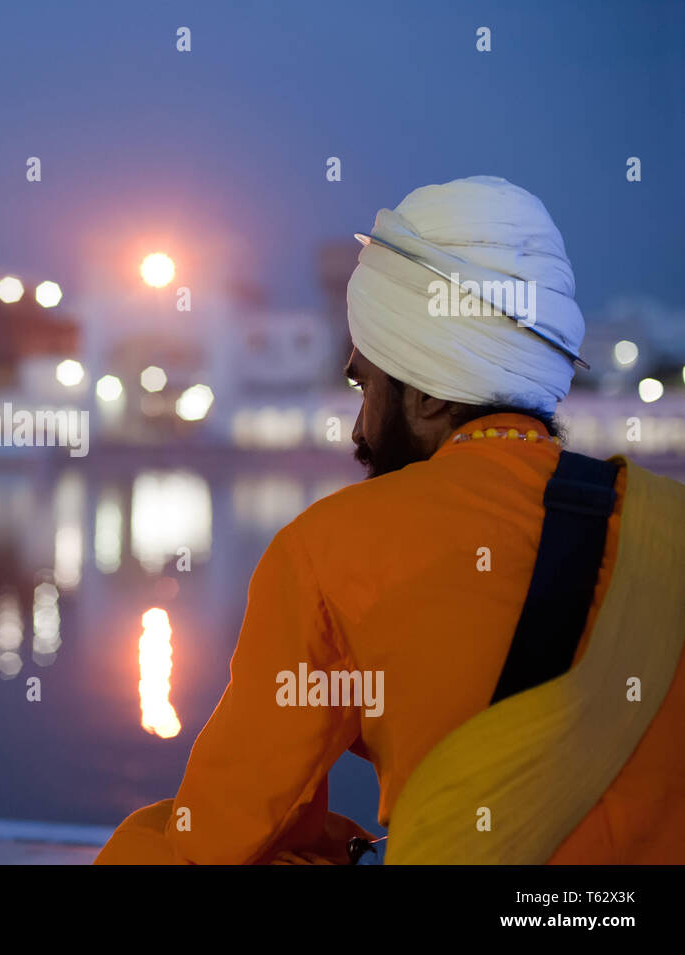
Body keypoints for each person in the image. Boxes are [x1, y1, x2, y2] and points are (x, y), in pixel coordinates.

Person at [95, 176, 685, 865]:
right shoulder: (666, 526)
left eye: (365, 384)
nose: (357, 426)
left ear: (429, 397)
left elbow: (218, 836)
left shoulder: (331, 549)